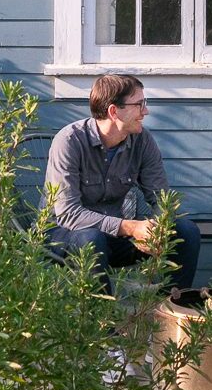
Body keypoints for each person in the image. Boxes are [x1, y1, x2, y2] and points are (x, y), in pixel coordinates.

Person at [44, 73, 201, 291]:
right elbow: (68, 213)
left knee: (186, 231)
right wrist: (129, 227)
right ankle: (102, 322)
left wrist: (155, 230)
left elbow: (161, 199)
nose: (145, 111)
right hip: (63, 235)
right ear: (113, 111)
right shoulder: (69, 141)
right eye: (139, 104)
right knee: (91, 238)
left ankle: (167, 310)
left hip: (114, 236)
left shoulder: (142, 140)